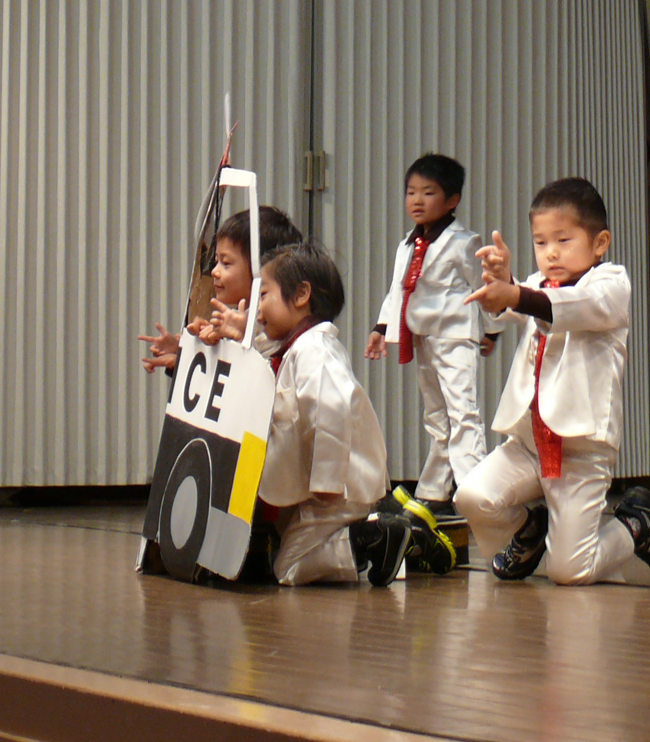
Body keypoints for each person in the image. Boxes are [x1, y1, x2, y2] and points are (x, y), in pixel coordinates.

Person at [454, 177, 650, 586]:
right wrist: (501, 283)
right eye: (541, 242)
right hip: (529, 444)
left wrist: (514, 293)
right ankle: (531, 529)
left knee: (569, 572)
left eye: (564, 240)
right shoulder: (536, 285)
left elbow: (566, 307)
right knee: (472, 497)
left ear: (600, 243)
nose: (551, 252)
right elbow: (505, 309)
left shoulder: (611, 284)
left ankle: (635, 526)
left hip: (580, 451)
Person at [209, 243, 433, 585]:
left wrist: (328, 483)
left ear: (301, 295)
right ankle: (392, 529)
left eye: (264, 295)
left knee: (290, 566)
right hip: (316, 490)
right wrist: (242, 333)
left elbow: (331, 414)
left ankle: (374, 536)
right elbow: (265, 351)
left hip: (337, 493)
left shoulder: (315, 350)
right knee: (289, 544)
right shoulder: (295, 346)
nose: (258, 308)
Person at [364, 154, 498, 524]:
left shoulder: (463, 242)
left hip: (455, 336)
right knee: (437, 415)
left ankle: (473, 492)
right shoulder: (407, 245)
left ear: (452, 200)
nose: (417, 200)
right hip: (423, 337)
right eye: (411, 192)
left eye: (428, 192)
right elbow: (398, 289)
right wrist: (381, 328)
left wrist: (491, 329)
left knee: (462, 412)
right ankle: (434, 491)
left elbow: (483, 287)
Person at [137, 204, 304, 374]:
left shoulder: (279, 330)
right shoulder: (232, 321)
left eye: (226, 263)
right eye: (216, 261)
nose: (214, 272)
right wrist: (184, 353)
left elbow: (262, 378)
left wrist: (243, 339)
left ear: (261, 267)